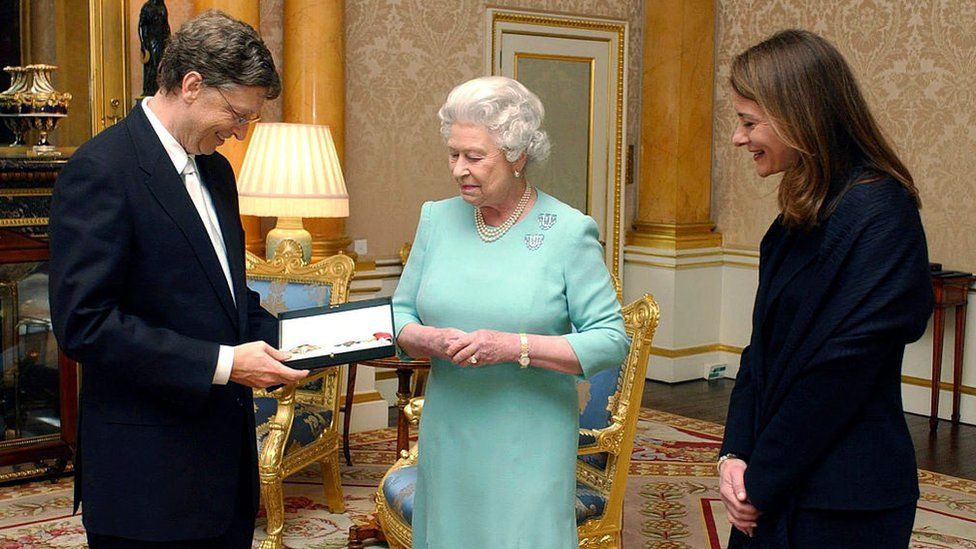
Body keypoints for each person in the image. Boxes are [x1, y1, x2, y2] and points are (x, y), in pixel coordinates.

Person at [48, 11, 308, 548]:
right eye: (238, 114)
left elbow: (227, 300)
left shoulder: (216, 170)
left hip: (223, 470)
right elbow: (85, 326)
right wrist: (224, 363)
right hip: (145, 480)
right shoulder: (102, 169)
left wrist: (307, 341)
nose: (240, 132)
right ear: (192, 85)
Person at [392, 75, 629, 548]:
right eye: (454, 154)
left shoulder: (567, 231)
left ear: (518, 155)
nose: (460, 169)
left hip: (528, 437)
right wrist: (428, 340)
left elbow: (610, 338)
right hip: (450, 428)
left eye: (475, 157)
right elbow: (400, 312)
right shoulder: (436, 219)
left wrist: (513, 346)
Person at [718, 29, 933, 548]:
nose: (738, 138)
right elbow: (761, 350)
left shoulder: (882, 213)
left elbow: (840, 374)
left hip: (844, 499)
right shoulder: (799, 212)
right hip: (773, 480)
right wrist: (734, 456)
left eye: (749, 122)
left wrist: (760, 482)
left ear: (799, 116)